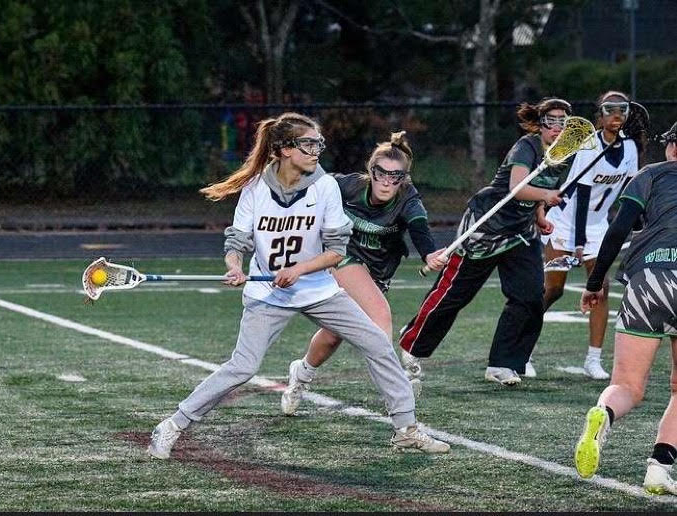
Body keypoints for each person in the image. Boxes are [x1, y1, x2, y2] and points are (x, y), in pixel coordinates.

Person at [146, 112, 449, 459]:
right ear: (284, 149)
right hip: (268, 293)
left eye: (319, 143)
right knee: (243, 367)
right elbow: (238, 241)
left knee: (378, 344)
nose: (316, 150)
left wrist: (300, 268)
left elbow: (337, 251)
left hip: (319, 289)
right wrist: (234, 267)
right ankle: (172, 424)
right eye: (308, 144)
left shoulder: (325, 187)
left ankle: (406, 430)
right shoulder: (256, 187)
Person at [398, 98, 571, 386]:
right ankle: (413, 345)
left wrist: (540, 215)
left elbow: (544, 188)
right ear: (539, 124)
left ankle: (503, 363)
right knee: (455, 295)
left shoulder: (564, 154)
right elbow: (518, 187)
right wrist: (543, 198)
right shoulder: (526, 147)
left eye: (562, 122)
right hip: (486, 227)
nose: (556, 127)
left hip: (520, 233)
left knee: (529, 297)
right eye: (550, 121)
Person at [279, 131, 447, 416]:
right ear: (371, 171)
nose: (386, 182)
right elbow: (305, 189)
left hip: (379, 271)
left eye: (395, 176)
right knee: (380, 318)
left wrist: (429, 253)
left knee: (334, 333)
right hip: (342, 257)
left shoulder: (409, 200)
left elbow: (420, 229)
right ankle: (396, 393)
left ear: (404, 178)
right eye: (381, 173)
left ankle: (302, 373)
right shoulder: (347, 186)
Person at [574, 121, 677, 493]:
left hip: (647, 278)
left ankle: (605, 415)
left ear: (672, 148)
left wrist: (594, 281)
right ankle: (659, 468)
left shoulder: (648, 175)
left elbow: (618, 230)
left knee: (627, 385)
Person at [538, 91, 639, 380]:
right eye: (610, 109)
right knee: (553, 289)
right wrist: (578, 244)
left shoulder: (630, 149)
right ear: (600, 114)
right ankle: (524, 349)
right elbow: (581, 195)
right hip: (567, 221)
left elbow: (630, 194)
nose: (616, 114)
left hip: (598, 226)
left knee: (601, 288)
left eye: (623, 109)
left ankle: (593, 359)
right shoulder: (589, 144)